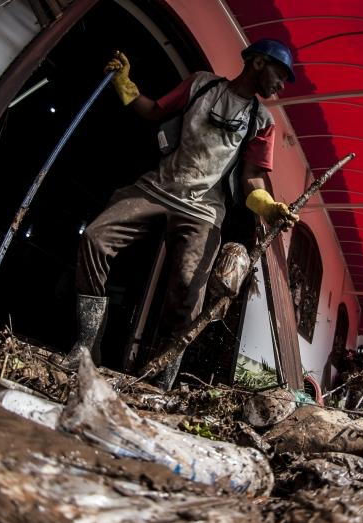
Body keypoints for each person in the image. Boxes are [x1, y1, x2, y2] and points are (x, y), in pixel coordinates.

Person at [65, 39, 300, 390]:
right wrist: (125, 86)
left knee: (189, 295)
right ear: (257, 63)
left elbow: (251, 176)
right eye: (279, 75)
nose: (280, 86)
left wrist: (267, 205)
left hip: (204, 210)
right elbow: (154, 112)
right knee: (95, 238)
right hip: (157, 188)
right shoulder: (201, 84)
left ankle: (156, 380)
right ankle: (87, 347)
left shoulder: (262, 121)